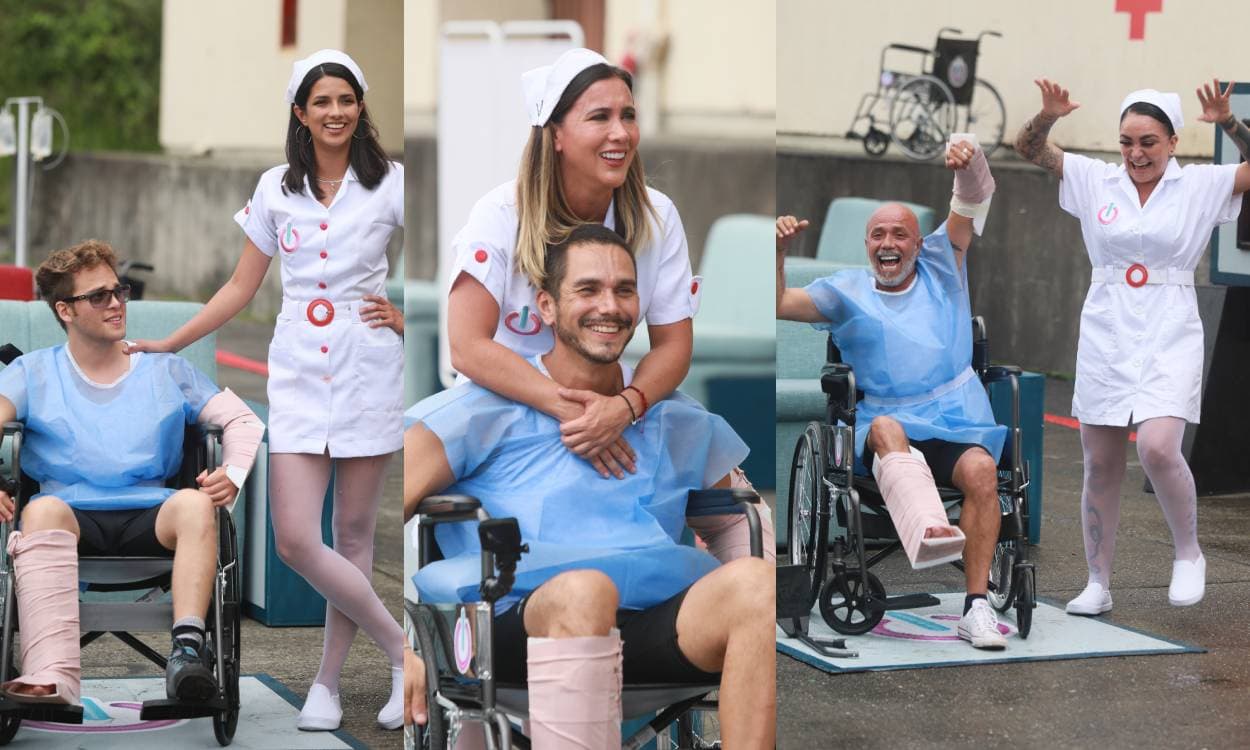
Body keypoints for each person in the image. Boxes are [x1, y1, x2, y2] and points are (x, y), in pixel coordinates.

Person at [405, 225, 775, 747]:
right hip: (507, 625)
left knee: (757, 582)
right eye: (588, 289)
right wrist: (408, 644)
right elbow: (379, 512)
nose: (611, 305)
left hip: (651, 626)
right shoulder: (479, 410)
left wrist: (757, 612)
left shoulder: (673, 417)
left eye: (624, 290)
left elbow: (739, 525)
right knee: (586, 588)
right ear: (546, 307)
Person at [126, 50, 406, 729]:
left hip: (368, 363)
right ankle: (404, 650)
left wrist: (404, 314)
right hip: (301, 372)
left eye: (346, 98)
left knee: (355, 534)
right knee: (296, 540)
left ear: (360, 106)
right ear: (300, 113)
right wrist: (169, 340)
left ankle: (330, 685)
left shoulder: (395, 182)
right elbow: (239, 287)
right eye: (322, 102)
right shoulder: (277, 187)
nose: (335, 111)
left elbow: (448, 269)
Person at [1014, 80, 1250, 615]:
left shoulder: (1201, 186)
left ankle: (1189, 553)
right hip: (1107, 325)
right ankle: (1098, 582)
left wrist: (1231, 124)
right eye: (1126, 142)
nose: (1136, 154)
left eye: (1148, 142)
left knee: (1159, 447)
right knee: (1100, 463)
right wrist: (1048, 116)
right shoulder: (1097, 179)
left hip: (1170, 325)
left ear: (1171, 141)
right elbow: (1028, 149)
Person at [0, 240, 263, 706]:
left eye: (118, 290)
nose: (117, 303)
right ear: (65, 310)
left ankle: (187, 653)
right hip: (69, 517)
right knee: (39, 513)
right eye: (98, 296)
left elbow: (241, 420)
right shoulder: (32, 371)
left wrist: (233, 473)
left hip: (153, 517)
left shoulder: (167, 369)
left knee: (196, 503)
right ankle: (50, 673)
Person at [775, 140, 1010, 649]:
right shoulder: (845, 291)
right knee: (885, 427)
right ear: (866, 245)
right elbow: (778, 302)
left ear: (919, 243)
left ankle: (976, 607)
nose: (888, 242)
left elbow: (969, 202)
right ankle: (929, 529)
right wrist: (778, 253)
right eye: (877, 234)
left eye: (899, 234)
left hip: (953, 419)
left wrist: (969, 162)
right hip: (883, 430)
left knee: (983, 472)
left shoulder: (944, 267)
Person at [448, 47, 699, 481]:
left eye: (629, 116)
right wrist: (577, 413)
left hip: (614, 404)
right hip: (504, 404)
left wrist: (624, 408)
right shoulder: (500, 214)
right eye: (600, 117)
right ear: (556, 134)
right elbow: (466, 346)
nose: (621, 133)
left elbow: (674, 345)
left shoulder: (658, 216)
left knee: (739, 508)